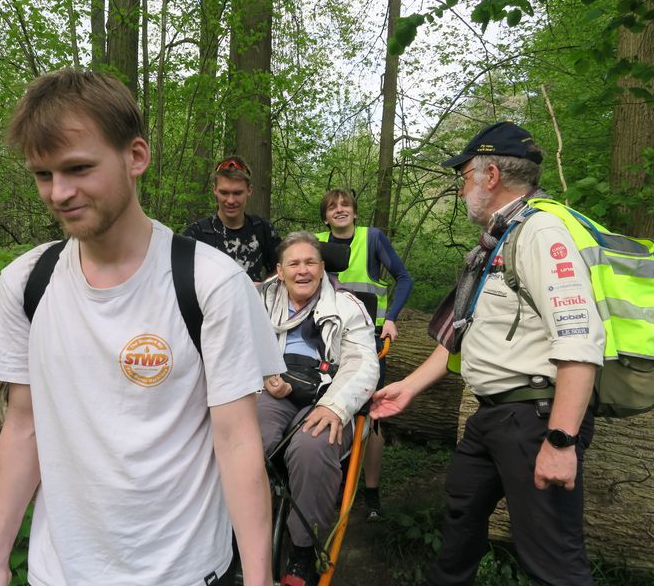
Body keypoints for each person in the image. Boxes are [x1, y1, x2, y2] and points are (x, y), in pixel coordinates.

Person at [0, 68, 285, 586]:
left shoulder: (210, 283)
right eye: (42, 174)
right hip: (60, 571)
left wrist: (258, 578)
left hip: (185, 571)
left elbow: (237, 441)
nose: (59, 193)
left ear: (135, 157)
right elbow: (23, 426)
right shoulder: (25, 284)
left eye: (78, 168)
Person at [371, 121, 605, 585]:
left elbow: (579, 341)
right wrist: (408, 388)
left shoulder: (542, 233)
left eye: (464, 178)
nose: (462, 191)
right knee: (459, 529)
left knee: (554, 563)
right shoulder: (499, 239)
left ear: (491, 175)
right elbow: (466, 335)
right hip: (490, 420)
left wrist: (559, 442)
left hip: (535, 420)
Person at [257, 231, 379, 586]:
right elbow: (237, 343)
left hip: (326, 392)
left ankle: (302, 551)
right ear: (280, 271)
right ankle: (240, 532)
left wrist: (335, 406)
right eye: (294, 263)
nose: (303, 270)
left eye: (310, 262)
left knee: (313, 445)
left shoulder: (347, 307)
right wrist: (265, 374)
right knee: (249, 439)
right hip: (272, 390)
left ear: (323, 267)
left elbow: (362, 363)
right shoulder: (261, 300)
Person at [316, 189, 414, 520]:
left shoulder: (371, 239)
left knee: (370, 417)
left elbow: (403, 278)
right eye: (333, 207)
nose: (340, 210)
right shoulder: (315, 243)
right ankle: (331, 481)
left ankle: (370, 494)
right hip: (325, 342)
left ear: (355, 213)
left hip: (368, 343)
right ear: (325, 216)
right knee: (324, 405)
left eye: (345, 206)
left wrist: (391, 319)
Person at [183, 156, 281, 282]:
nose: (230, 200)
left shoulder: (263, 230)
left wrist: (261, 288)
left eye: (237, 193)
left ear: (249, 190)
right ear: (215, 190)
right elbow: (181, 281)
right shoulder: (196, 234)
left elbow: (282, 271)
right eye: (224, 193)